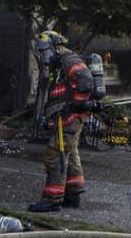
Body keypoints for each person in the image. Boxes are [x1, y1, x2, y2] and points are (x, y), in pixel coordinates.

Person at [29, 31, 94, 213]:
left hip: (70, 118)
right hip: (67, 118)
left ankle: (52, 199)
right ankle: (73, 195)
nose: (43, 55)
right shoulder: (60, 64)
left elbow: (86, 81)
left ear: (55, 47)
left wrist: (76, 105)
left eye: (45, 51)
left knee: (54, 154)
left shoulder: (69, 61)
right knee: (70, 153)